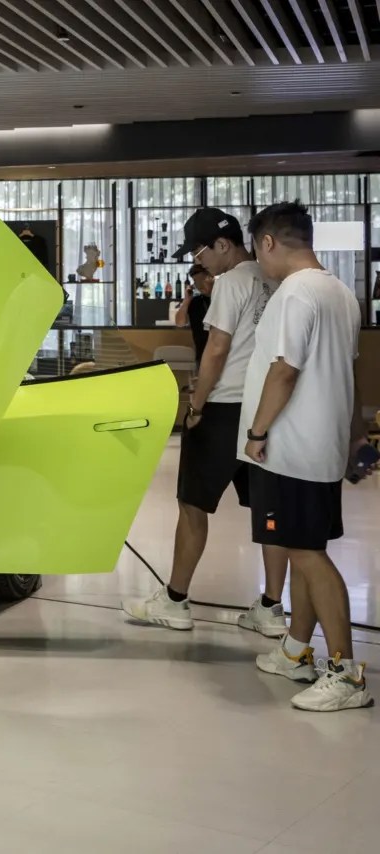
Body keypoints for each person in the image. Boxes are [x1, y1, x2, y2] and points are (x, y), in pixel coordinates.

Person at [124, 208, 288, 635]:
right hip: (266, 411)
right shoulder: (275, 279)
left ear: (223, 244)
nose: (200, 263)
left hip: (223, 408)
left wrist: (196, 406)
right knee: (268, 511)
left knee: (192, 505)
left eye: (200, 253)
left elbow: (216, 348)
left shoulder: (231, 282)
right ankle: (272, 608)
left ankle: (175, 600)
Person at [241, 202, 372, 712]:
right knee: (303, 547)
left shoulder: (295, 293)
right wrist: (355, 437)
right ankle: (296, 651)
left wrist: (257, 431)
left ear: (268, 242)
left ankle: (346, 674)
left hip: (290, 449)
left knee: (310, 556)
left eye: (258, 251)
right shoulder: (340, 292)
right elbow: (349, 375)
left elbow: (285, 371)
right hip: (320, 446)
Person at [174, 263, 215, 366]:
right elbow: (180, 322)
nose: (200, 285)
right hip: (202, 354)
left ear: (212, 278)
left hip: (223, 352)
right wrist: (186, 300)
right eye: (196, 281)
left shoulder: (222, 297)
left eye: (202, 280)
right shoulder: (196, 302)